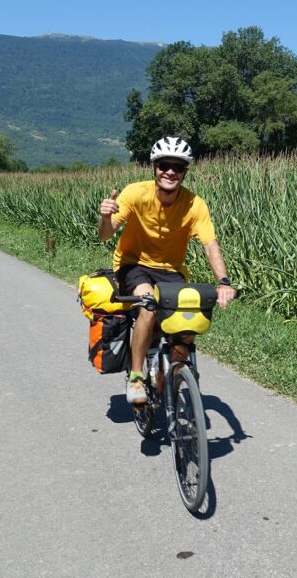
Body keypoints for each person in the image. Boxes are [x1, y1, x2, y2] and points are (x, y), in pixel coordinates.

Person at [98, 136, 235, 405]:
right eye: (164, 165)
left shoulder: (195, 204)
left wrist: (224, 281)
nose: (170, 172)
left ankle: (174, 375)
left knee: (188, 321)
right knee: (148, 305)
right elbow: (105, 234)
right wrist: (105, 216)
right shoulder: (135, 193)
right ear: (154, 167)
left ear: (185, 172)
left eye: (178, 166)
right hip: (133, 264)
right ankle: (136, 377)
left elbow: (210, 245)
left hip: (171, 270)